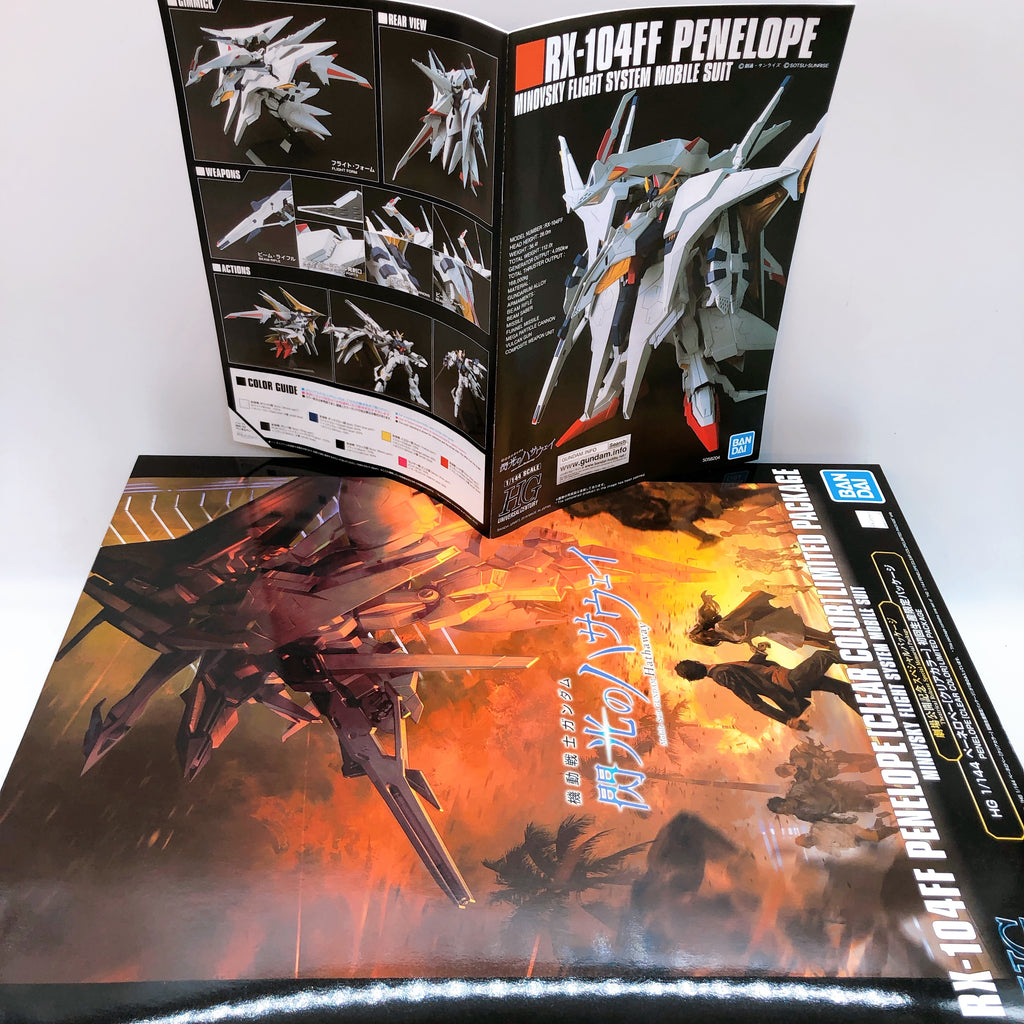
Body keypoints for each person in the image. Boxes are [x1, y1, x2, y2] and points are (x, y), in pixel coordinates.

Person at [673, 648, 859, 728]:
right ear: (696, 662)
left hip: (786, 679)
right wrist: (787, 720)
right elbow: (754, 701)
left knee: (840, 688)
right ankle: (867, 653)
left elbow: (753, 674)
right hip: (789, 683)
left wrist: (759, 655)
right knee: (823, 656)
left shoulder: (719, 671)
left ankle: (868, 712)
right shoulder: (721, 675)